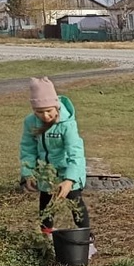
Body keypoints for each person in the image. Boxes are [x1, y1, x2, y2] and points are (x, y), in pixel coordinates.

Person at [20, 77, 94, 254]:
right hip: (46, 174)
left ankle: (87, 242)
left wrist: (69, 180)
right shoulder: (30, 123)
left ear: (56, 106)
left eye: (48, 111)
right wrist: (28, 172)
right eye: (39, 112)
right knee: (45, 207)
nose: (45, 116)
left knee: (76, 206)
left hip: (69, 173)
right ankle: (47, 239)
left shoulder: (67, 125)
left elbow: (76, 153)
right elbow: (27, 149)